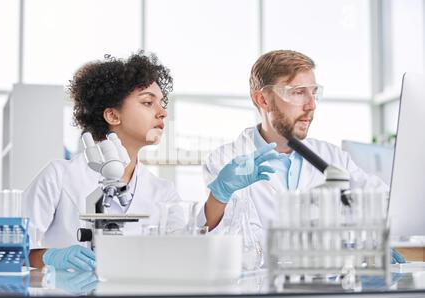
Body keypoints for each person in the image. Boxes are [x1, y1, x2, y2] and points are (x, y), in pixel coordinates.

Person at [23, 51, 277, 271]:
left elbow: (190, 245)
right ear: (112, 114)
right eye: (147, 102)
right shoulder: (58, 176)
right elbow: (12, 252)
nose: (162, 111)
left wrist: (220, 193)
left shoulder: (161, 192)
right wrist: (50, 257)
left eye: (162, 103)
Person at [199, 49, 405, 264]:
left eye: (314, 93)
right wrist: (220, 193)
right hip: (258, 290)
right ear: (263, 99)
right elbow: (214, 239)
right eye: (298, 92)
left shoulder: (333, 157)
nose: (311, 105)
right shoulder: (226, 160)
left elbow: (384, 203)